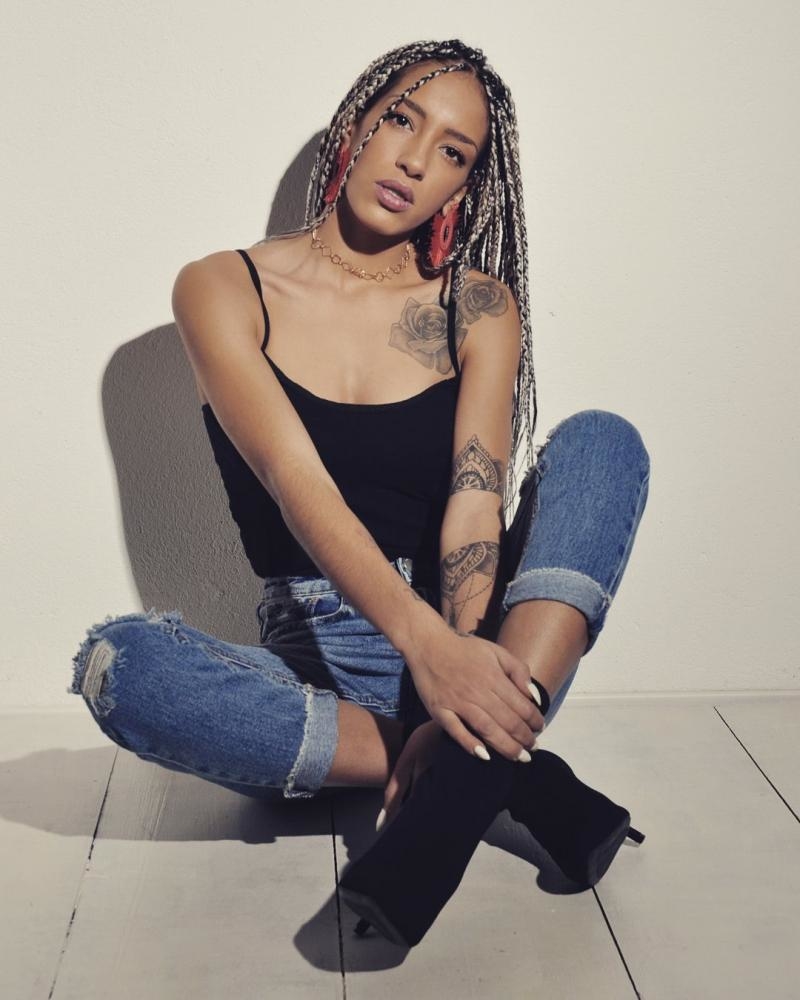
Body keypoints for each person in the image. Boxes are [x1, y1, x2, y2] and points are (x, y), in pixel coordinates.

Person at [69, 39, 650, 946]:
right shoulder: (225, 286)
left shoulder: (478, 305)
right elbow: (294, 482)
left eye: (452, 152)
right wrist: (426, 659)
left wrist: (460, 662)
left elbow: (475, 505)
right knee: (121, 665)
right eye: (401, 121)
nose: (416, 160)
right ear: (357, 125)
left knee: (604, 442)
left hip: (489, 645)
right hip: (320, 664)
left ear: (464, 187)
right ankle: (494, 765)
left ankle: (464, 763)